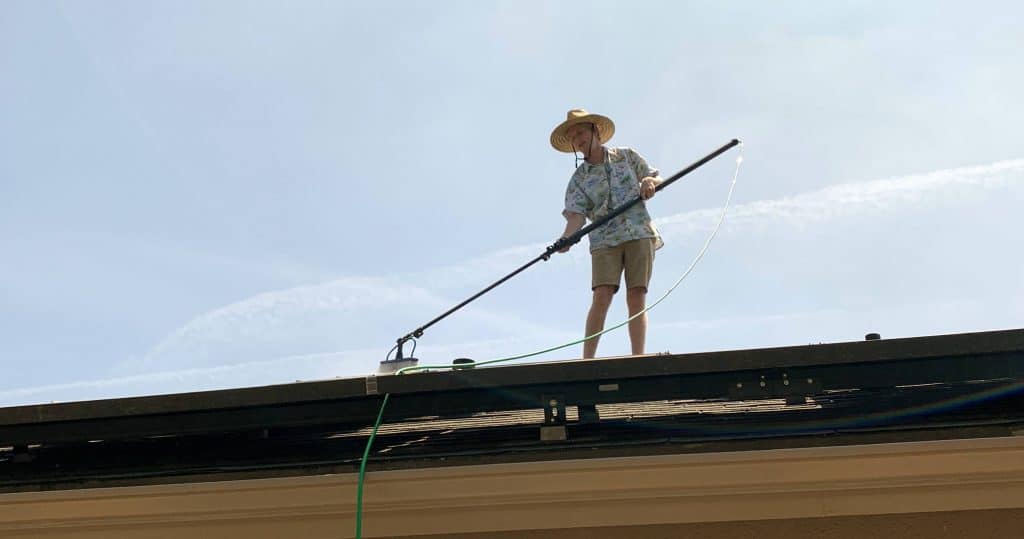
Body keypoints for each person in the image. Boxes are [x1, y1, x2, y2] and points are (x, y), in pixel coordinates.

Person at [551, 108, 664, 359]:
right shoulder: (578, 179)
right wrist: (565, 238)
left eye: (581, 132)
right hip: (604, 239)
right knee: (601, 295)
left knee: (636, 295)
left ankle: (638, 358)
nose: (578, 139)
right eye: (573, 137)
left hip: (638, 231)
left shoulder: (626, 156)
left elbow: (653, 177)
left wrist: (648, 183)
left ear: (595, 132)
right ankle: (587, 361)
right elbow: (576, 216)